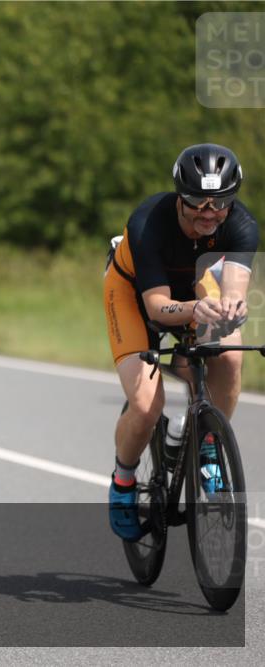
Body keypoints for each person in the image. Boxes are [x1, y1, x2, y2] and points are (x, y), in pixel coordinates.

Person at [104, 144, 259, 541]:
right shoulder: (148, 222)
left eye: (220, 203)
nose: (209, 214)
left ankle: (207, 441)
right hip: (136, 294)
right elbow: (156, 307)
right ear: (180, 196)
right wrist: (195, 309)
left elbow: (234, 288)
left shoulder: (241, 224)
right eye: (197, 203)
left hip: (193, 287)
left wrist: (231, 307)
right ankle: (123, 483)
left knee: (229, 358)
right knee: (145, 406)